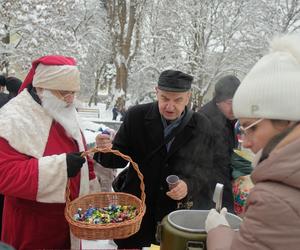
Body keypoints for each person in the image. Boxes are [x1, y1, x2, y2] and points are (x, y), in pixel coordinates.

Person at [94, 69, 222, 249]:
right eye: (165, 99)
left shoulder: (201, 125)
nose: (170, 106)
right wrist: (103, 150)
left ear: (188, 97)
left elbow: (205, 169)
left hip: (174, 212)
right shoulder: (136, 116)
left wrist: (188, 185)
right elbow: (118, 159)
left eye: (178, 100)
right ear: (156, 92)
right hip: (137, 207)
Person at [205, 34, 300, 249]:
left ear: (287, 120)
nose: (245, 143)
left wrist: (218, 231)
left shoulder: (273, 198)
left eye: (252, 127)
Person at [0, 55, 100, 250]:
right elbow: (5, 175)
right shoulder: (13, 118)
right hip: (31, 227)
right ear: (41, 88)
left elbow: (80, 152)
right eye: (64, 92)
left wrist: (91, 185)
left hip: (67, 224)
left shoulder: (62, 108)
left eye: (73, 92)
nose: (71, 99)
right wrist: (60, 168)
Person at [199, 75, 241, 212]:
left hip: (224, 185)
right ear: (218, 101)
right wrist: (228, 202)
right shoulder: (205, 120)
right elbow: (207, 166)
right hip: (209, 193)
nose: (235, 108)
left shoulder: (229, 117)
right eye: (230, 103)